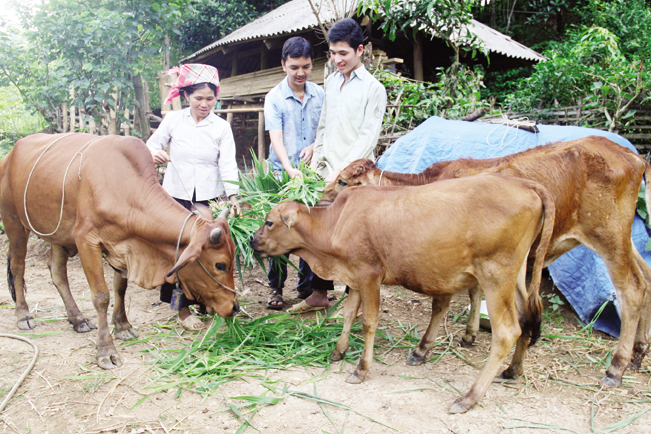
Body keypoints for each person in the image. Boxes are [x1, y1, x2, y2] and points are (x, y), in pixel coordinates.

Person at [299, 18, 387, 313]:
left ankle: (357, 300)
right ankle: (319, 293)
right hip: (327, 171)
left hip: (356, 177)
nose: (337, 59)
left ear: (360, 50)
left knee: (356, 239)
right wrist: (318, 161)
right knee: (317, 230)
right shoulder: (332, 81)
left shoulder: (374, 89)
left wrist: (344, 173)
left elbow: (367, 137)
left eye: (343, 53)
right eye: (333, 53)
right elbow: (324, 125)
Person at [146, 63, 241, 330]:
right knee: (177, 254)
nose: (204, 104)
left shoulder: (221, 127)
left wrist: (233, 197)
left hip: (208, 199)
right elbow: (151, 145)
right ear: (186, 96)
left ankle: (208, 300)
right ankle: (181, 310)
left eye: (210, 98)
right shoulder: (174, 120)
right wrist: (154, 153)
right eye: (198, 98)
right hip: (175, 198)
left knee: (209, 252)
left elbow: (228, 164)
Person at [263, 36, 324, 311]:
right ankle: (276, 288)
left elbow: (324, 130)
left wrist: (314, 146)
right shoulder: (274, 98)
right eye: (294, 67)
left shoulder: (320, 94)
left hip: (310, 177)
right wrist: (289, 169)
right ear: (283, 65)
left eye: (306, 67)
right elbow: (276, 138)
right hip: (281, 174)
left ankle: (305, 287)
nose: (300, 73)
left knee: (308, 234)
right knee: (277, 232)